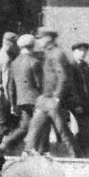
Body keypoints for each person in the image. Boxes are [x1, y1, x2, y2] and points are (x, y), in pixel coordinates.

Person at [24, 29, 81, 157]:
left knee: (63, 131)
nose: (38, 41)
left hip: (52, 100)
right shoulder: (48, 53)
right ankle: (27, 153)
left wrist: (57, 97)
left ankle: (76, 157)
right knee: (34, 128)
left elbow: (63, 77)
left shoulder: (57, 54)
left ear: (48, 38)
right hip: (45, 99)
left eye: (40, 38)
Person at [0, 34, 42, 152]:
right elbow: (39, 84)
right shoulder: (35, 62)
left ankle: (6, 144)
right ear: (32, 46)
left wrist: (13, 104)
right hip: (36, 99)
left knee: (24, 126)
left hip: (21, 100)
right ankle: (36, 150)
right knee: (41, 124)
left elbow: (11, 86)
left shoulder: (14, 63)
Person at [68, 42, 89, 157]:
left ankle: (83, 155)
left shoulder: (86, 67)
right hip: (77, 105)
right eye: (79, 50)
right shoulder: (71, 67)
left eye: (84, 50)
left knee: (87, 131)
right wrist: (76, 104)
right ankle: (79, 156)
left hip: (87, 105)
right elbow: (71, 88)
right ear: (74, 52)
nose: (82, 53)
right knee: (82, 131)